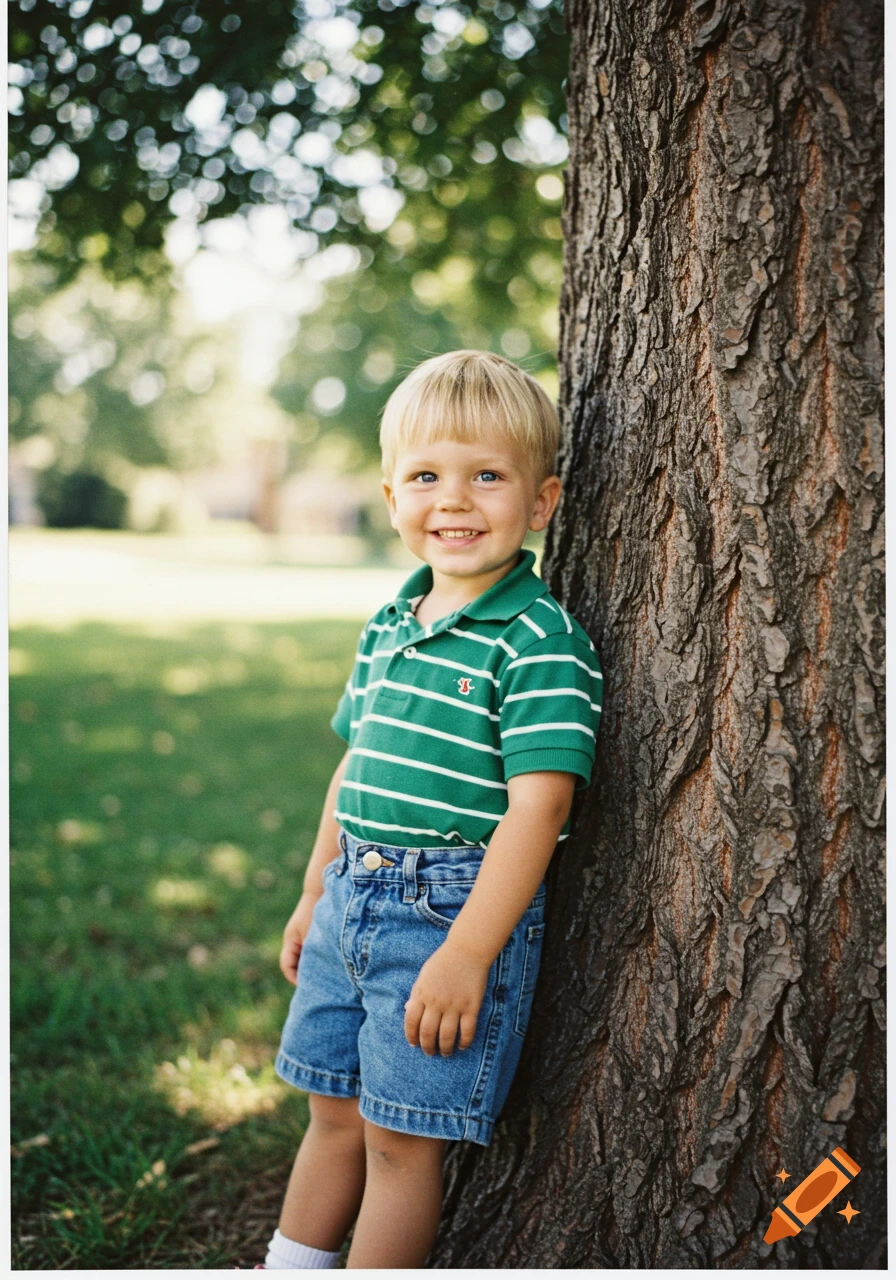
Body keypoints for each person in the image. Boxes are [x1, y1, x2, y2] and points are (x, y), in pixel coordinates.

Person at [262, 350, 603, 1269]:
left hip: (447, 913)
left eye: (486, 476)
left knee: (399, 1140)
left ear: (540, 504)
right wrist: (310, 895)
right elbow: (352, 767)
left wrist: (466, 953)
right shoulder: (389, 622)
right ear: (390, 498)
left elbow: (539, 811)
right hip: (350, 894)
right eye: (427, 477)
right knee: (330, 1112)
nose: (453, 500)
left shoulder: (540, 641)